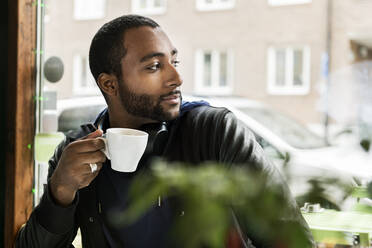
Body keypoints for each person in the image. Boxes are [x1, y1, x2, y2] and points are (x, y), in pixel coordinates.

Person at [15, 15, 315, 248]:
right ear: (110, 84)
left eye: (174, 61)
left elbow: (290, 235)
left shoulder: (214, 131)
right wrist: (61, 191)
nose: (176, 77)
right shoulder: (75, 151)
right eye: (155, 66)